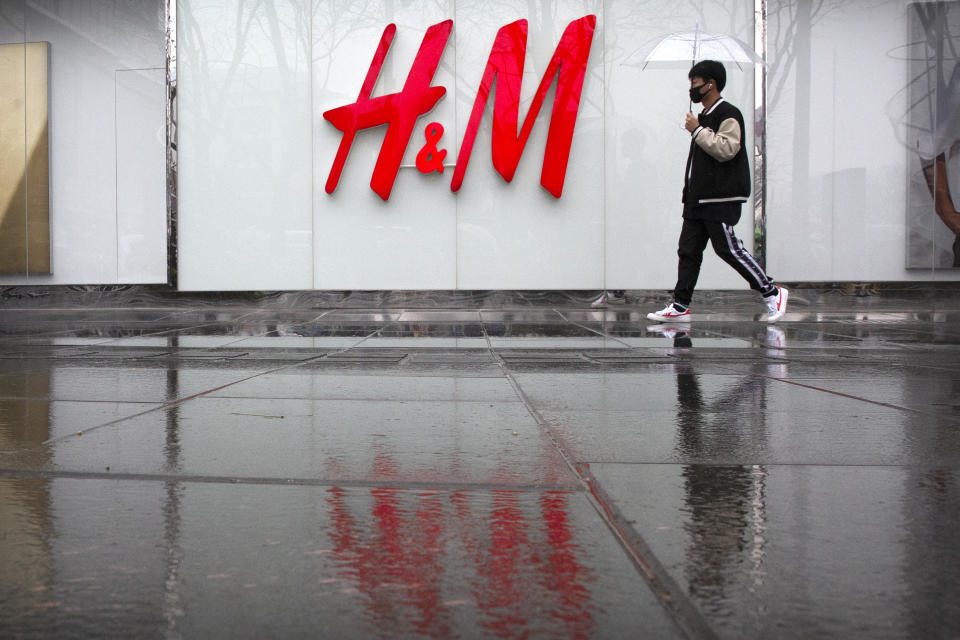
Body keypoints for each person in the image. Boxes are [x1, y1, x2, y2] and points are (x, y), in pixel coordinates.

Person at [647, 60, 788, 323]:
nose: (692, 88)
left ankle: (771, 290)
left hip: (719, 198)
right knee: (688, 250)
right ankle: (680, 305)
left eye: (695, 82)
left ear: (710, 83)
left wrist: (697, 130)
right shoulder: (704, 116)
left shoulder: (728, 114)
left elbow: (727, 149)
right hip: (697, 198)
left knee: (729, 249)